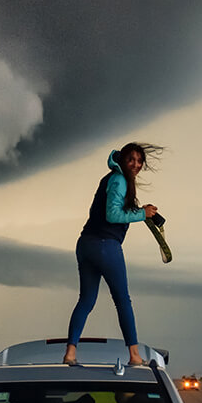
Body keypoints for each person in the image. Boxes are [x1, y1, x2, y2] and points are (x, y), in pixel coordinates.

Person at [63, 142, 162, 368]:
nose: (136, 164)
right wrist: (140, 213)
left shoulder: (110, 178)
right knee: (123, 301)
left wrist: (141, 211)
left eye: (139, 161)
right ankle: (135, 356)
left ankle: (70, 353)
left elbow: (110, 209)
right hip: (106, 245)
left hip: (85, 244)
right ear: (122, 160)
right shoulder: (119, 179)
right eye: (131, 160)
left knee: (86, 300)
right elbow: (112, 214)